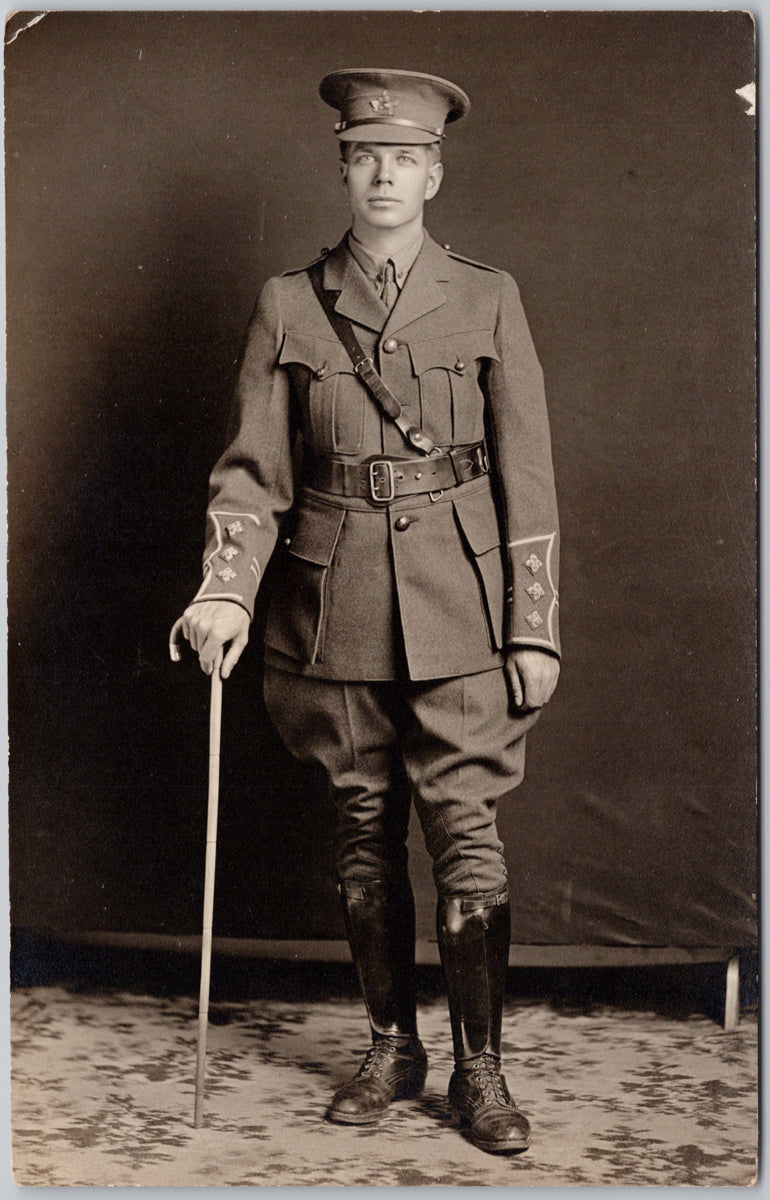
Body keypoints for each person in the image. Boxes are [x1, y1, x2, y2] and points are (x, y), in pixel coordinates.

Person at [176, 68, 560, 1155]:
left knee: (466, 840)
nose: (384, 173)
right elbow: (254, 474)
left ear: (434, 175)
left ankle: (480, 1069)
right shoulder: (290, 303)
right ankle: (392, 1045)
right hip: (331, 607)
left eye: (405, 158)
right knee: (362, 837)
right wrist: (221, 592)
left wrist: (533, 623)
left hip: (464, 611)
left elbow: (525, 472)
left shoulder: (487, 296)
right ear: (342, 169)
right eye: (364, 155)